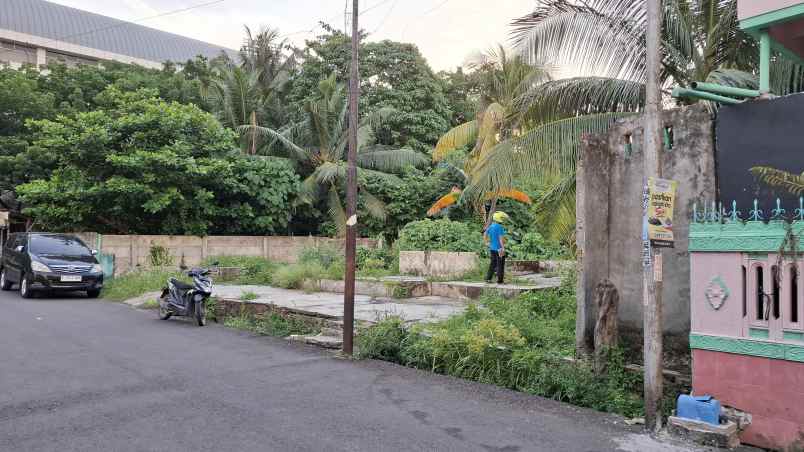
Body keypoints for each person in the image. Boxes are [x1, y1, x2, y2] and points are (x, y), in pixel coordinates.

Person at [484, 211, 509, 284]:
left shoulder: (491, 226)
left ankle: (488, 278)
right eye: (502, 218)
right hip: (499, 249)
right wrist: (503, 248)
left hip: (492, 248)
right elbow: (500, 239)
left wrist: (486, 242)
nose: (503, 219)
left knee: (493, 263)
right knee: (500, 264)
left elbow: (485, 233)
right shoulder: (499, 227)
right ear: (499, 218)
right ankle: (500, 280)